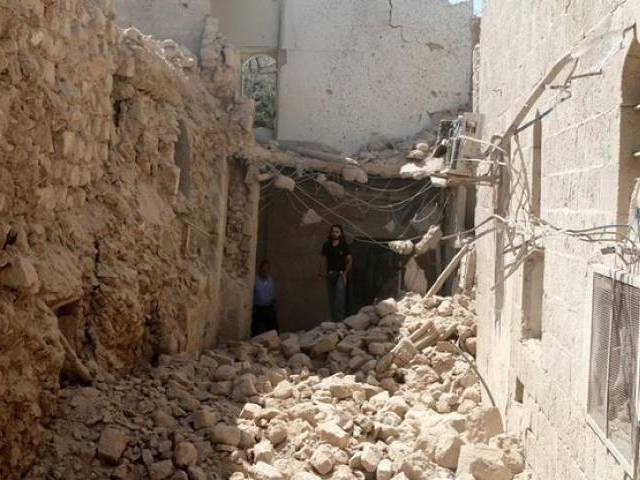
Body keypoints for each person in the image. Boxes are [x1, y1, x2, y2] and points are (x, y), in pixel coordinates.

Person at [320, 224, 352, 321]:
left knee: (339, 298)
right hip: (330, 274)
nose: (334, 233)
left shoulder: (344, 245)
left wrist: (345, 274)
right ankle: (332, 321)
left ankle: (340, 321)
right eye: (333, 231)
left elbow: (350, 260)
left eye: (337, 231)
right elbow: (323, 260)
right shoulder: (326, 245)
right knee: (331, 298)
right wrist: (322, 272)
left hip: (340, 274)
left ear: (341, 233)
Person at [252, 260, 278, 336]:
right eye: (264, 269)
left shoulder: (270, 280)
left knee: (273, 328)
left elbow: (273, 295)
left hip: (268, 307)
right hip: (257, 308)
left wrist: (274, 305)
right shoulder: (255, 280)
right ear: (260, 269)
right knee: (255, 329)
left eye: (267, 269)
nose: (265, 271)